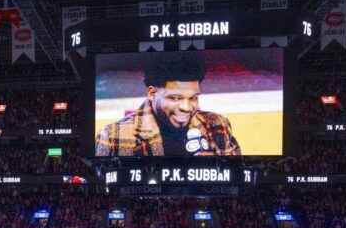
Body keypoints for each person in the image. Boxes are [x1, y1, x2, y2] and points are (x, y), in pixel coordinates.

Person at [95, 53, 241, 157]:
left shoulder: (218, 125)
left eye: (193, 98)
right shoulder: (114, 137)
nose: (187, 107)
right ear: (152, 93)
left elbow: (238, 180)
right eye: (175, 98)